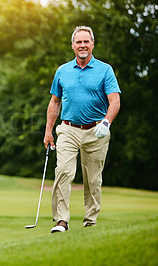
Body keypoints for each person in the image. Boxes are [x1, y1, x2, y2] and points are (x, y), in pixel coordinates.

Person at [43, 26, 121, 233]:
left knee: (93, 178)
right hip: (68, 129)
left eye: (86, 41)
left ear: (92, 44)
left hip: (96, 131)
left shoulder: (105, 70)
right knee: (63, 171)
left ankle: (90, 222)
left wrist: (106, 122)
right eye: (78, 42)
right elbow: (54, 102)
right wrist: (48, 131)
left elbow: (115, 101)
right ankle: (61, 221)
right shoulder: (63, 71)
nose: (82, 45)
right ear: (72, 45)